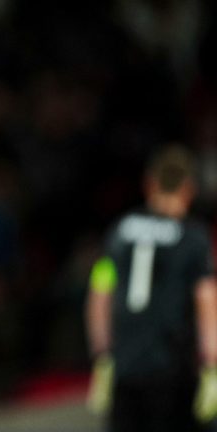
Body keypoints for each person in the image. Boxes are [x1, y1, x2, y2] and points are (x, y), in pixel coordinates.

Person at [85, 144, 217, 432]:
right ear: (188, 188)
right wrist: (212, 364)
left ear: (150, 183)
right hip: (172, 370)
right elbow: (206, 299)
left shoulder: (119, 231)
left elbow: (100, 291)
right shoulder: (193, 238)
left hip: (125, 368)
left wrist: (102, 354)